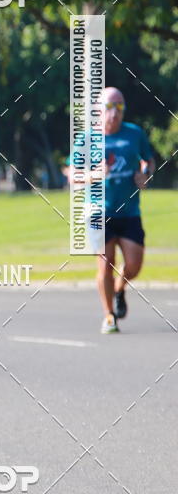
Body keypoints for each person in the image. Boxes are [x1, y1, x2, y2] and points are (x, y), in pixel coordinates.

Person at [97, 87, 155, 333]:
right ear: (99, 110)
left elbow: (149, 160)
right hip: (99, 212)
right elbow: (72, 172)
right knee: (105, 264)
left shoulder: (134, 133)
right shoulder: (87, 138)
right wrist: (92, 174)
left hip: (129, 212)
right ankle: (109, 315)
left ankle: (120, 289)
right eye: (110, 107)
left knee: (134, 265)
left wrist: (146, 174)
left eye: (119, 107)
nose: (114, 113)